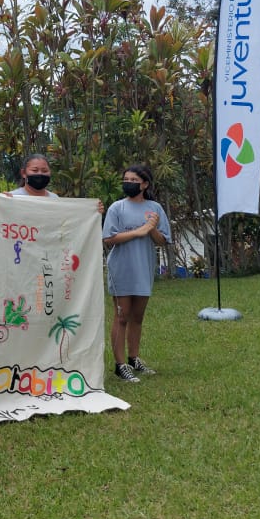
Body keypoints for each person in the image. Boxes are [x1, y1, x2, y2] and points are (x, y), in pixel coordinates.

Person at [102, 164, 171, 383]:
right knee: (122, 316)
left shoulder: (155, 208)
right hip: (121, 268)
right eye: (126, 179)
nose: (128, 183)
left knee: (137, 317)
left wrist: (151, 228)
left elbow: (163, 241)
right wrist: (138, 231)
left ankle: (133, 358)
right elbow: (108, 239)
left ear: (145, 184)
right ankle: (120, 365)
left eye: (133, 180)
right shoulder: (117, 208)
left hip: (144, 268)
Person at [7, 153, 105, 213]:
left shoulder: (55, 200)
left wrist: (92, 210)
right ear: (24, 173)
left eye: (44, 171)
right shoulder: (12, 197)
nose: (40, 174)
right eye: (35, 170)